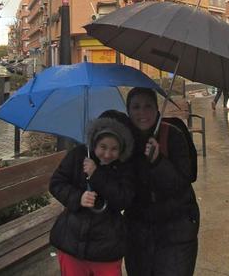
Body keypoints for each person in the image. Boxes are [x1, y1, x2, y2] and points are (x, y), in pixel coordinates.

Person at [125, 87, 199, 276]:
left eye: (148, 106)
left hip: (175, 230)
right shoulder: (126, 141)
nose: (142, 113)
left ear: (157, 109)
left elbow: (182, 182)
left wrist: (158, 161)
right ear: (128, 111)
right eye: (136, 107)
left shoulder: (173, 135)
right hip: (139, 232)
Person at [49, 116, 135, 276]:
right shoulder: (78, 155)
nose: (107, 154)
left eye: (114, 149)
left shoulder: (124, 167)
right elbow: (56, 183)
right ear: (94, 143)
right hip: (72, 242)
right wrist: (77, 197)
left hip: (107, 247)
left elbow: (123, 199)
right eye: (103, 146)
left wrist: (96, 175)